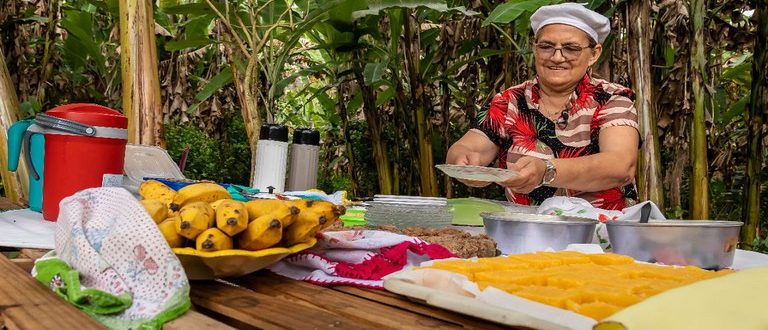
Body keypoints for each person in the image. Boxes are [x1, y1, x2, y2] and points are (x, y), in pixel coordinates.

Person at [446, 3, 639, 210]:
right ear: (535, 48)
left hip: (599, 232)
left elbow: (621, 165)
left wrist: (546, 170)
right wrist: (464, 161)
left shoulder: (612, 99)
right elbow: (466, 147)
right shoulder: (510, 101)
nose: (557, 57)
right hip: (525, 230)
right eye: (546, 46)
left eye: (570, 48)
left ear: (594, 54)